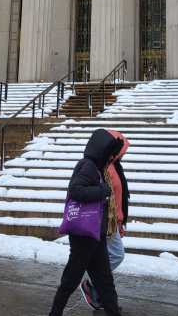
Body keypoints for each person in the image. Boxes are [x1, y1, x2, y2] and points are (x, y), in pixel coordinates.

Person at [49, 129, 124, 316]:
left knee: (105, 281)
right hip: (83, 236)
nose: (111, 159)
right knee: (71, 280)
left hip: (95, 234)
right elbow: (76, 190)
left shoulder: (97, 168)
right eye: (110, 155)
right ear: (102, 152)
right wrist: (103, 191)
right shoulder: (88, 166)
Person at [80, 130, 130, 310]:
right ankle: (93, 284)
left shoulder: (115, 166)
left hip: (112, 222)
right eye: (121, 149)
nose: (123, 153)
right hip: (103, 221)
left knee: (111, 256)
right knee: (116, 255)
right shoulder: (100, 167)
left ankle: (101, 294)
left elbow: (119, 197)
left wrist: (120, 220)